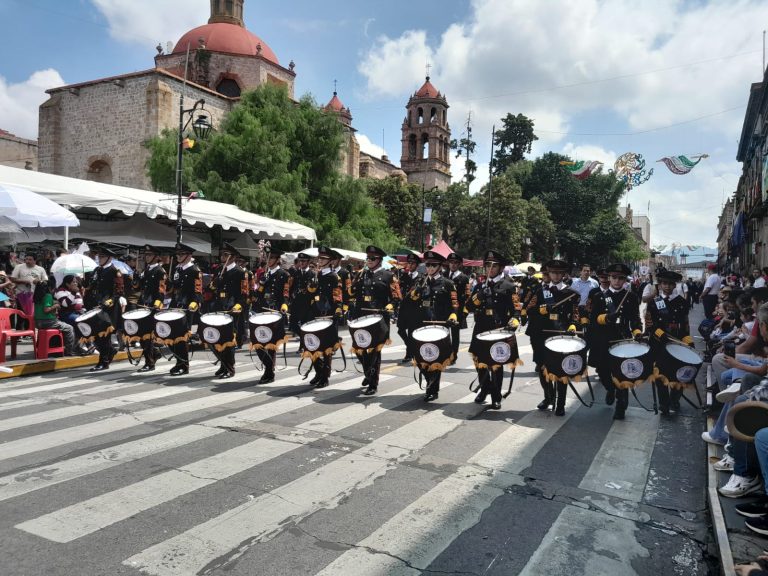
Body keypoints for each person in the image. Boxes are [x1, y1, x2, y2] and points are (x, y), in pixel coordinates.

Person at [529, 259, 584, 416]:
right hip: (540, 334)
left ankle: (560, 402)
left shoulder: (571, 294)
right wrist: (542, 309)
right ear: (549, 273)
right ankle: (548, 397)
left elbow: (575, 314)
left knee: (561, 370)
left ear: (564, 274)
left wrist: (573, 326)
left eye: (559, 273)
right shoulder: (540, 291)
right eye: (553, 272)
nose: (556, 275)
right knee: (542, 368)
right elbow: (529, 309)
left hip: (561, 335)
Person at [588, 263, 642, 420]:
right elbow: (593, 319)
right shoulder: (599, 296)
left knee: (622, 373)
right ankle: (610, 389)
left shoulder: (631, 297)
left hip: (622, 339)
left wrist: (637, 331)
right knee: (604, 372)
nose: (617, 281)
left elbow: (635, 318)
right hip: (603, 339)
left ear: (625, 280)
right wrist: (605, 318)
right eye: (614, 277)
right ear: (609, 278)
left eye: (621, 278)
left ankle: (621, 404)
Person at [467, 250, 520, 409]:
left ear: (501, 267)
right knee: (479, 361)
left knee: (496, 363)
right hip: (481, 326)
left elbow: (516, 308)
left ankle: (496, 395)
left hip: (498, 328)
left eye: (494, 265)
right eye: (488, 265)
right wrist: (479, 296)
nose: (490, 268)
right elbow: (468, 306)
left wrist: (515, 319)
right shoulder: (480, 285)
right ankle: (484, 389)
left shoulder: (509, 285)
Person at [349, 245, 401, 396]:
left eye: (372, 258)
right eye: (368, 258)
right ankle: (368, 373)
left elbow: (397, 297)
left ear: (379, 260)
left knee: (374, 352)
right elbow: (351, 293)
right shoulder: (361, 275)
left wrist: (391, 305)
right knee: (359, 348)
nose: (369, 261)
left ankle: (373, 383)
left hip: (378, 319)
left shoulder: (388, 276)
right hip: (360, 317)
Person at [409, 251, 458, 402]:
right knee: (419, 357)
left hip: (439, 325)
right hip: (422, 325)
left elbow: (455, 304)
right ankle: (429, 380)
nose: (430, 268)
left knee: (435, 357)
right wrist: (416, 291)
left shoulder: (448, 284)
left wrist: (453, 315)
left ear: (440, 266)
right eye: (428, 265)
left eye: (433, 265)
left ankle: (432, 388)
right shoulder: (421, 281)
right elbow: (411, 300)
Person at [644, 269, 694, 415]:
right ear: (659, 285)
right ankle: (664, 403)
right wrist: (661, 335)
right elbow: (649, 324)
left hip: (677, 342)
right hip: (658, 343)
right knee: (659, 374)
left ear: (674, 285)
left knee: (678, 373)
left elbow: (685, 324)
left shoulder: (682, 302)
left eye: (670, 284)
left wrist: (688, 340)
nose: (666, 286)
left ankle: (675, 399)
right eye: (664, 283)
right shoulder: (654, 302)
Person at [302, 247, 343, 388]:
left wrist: (338, 309)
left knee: (326, 349)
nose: (320, 260)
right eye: (319, 258)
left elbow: (337, 296)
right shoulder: (315, 275)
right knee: (311, 345)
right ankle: (318, 371)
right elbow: (308, 295)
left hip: (328, 315)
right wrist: (310, 288)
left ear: (330, 261)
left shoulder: (333, 277)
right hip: (314, 313)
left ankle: (325, 376)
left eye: (324, 258)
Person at [252, 248, 290, 383]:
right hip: (263, 311)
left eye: (272, 258)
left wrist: (285, 305)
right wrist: (261, 283)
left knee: (270, 343)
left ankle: (269, 371)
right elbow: (258, 294)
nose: (269, 261)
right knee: (259, 341)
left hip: (275, 312)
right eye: (268, 258)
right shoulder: (264, 274)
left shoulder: (283, 274)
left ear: (278, 259)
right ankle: (268, 367)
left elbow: (286, 292)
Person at [209, 242, 246, 379]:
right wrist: (213, 284)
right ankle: (223, 364)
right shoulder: (219, 270)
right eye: (222, 254)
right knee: (215, 337)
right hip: (219, 308)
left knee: (228, 340)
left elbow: (244, 294)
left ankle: (229, 368)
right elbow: (213, 288)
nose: (222, 257)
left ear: (233, 257)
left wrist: (238, 305)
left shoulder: (240, 272)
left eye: (226, 254)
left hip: (232, 309)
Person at [84, 247, 124, 371]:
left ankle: (104, 361)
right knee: (96, 335)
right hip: (96, 306)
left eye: (102, 257)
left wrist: (108, 302)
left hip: (109, 308)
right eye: (98, 257)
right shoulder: (97, 270)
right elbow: (91, 286)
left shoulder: (115, 271)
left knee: (104, 335)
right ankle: (110, 352)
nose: (99, 259)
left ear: (109, 258)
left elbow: (119, 292)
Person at [167, 242, 202, 376]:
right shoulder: (177, 269)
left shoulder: (195, 270)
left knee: (181, 336)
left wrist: (195, 302)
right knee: (170, 335)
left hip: (188, 306)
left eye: (181, 254)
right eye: (177, 254)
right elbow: (174, 288)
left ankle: (183, 365)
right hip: (176, 304)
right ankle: (178, 361)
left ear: (189, 255)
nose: (178, 256)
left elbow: (198, 290)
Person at [134, 245, 167, 373]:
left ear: (156, 256)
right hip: (143, 304)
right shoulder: (146, 270)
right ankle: (154, 353)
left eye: (149, 255)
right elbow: (138, 288)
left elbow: (161, 291)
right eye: (145, 255)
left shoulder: (160, 271)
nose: (146, 257)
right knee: (142, 335)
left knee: (147, 336)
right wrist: (136, 277)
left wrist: (157, 304)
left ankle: (149, 362)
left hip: (152, 305)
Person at [33, 280, 76, 356]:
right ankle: (69, 351)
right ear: (49, 288)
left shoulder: (37, 296)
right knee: (69, 328)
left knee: (62, 325)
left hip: (37, 323)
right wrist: (55, 306)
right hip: (48, 322)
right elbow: (46, 310)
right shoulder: (48, 295)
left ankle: (41, 347)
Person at [445, 252, 470, 364]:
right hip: (444, 309)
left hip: (457, 310)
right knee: (444, 334)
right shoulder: (444, 275)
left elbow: (467, 295)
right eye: (451, 262)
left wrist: (465, 310)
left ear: (459, 264)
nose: (453, 265)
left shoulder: (464, 278)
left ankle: (454, 355)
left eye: (455, 263)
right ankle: (445, 354)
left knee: (455, 335)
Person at [396, 253, 422, 363]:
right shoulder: (404, 276)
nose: (410, 265)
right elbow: (399, 289)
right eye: (409, 263)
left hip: (414, 309)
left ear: (417, 265)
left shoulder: (421, 278)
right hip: (403, 308)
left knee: (411, 332)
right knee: (400, 330)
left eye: (413, 263)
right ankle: (411, 347)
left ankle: (409, 353)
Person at [11, 253, 48, 325]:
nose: (27, 261)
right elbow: (12, 279)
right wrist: (25, 281)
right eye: (26, 259)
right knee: (20, 316)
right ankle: (18, 334)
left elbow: (45, 281)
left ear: (35, 260)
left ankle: (29, 334)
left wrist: (38, 282)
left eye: (30, 259)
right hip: (21, 295)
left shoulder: (40, 269)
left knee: (31, 317)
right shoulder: (19, 267)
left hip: (35, 297)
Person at [287, 252, 313, 336]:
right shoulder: (295, 273)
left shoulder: (312, 274)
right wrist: (289, 298)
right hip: (296, 303)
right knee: (293, 325)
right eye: (300, 261)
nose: (301, 263)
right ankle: (302, 337)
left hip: (307, 304)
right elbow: (290, 287)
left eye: (304, 261)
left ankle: (302, 345)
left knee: (305, 326)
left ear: (308, 262)